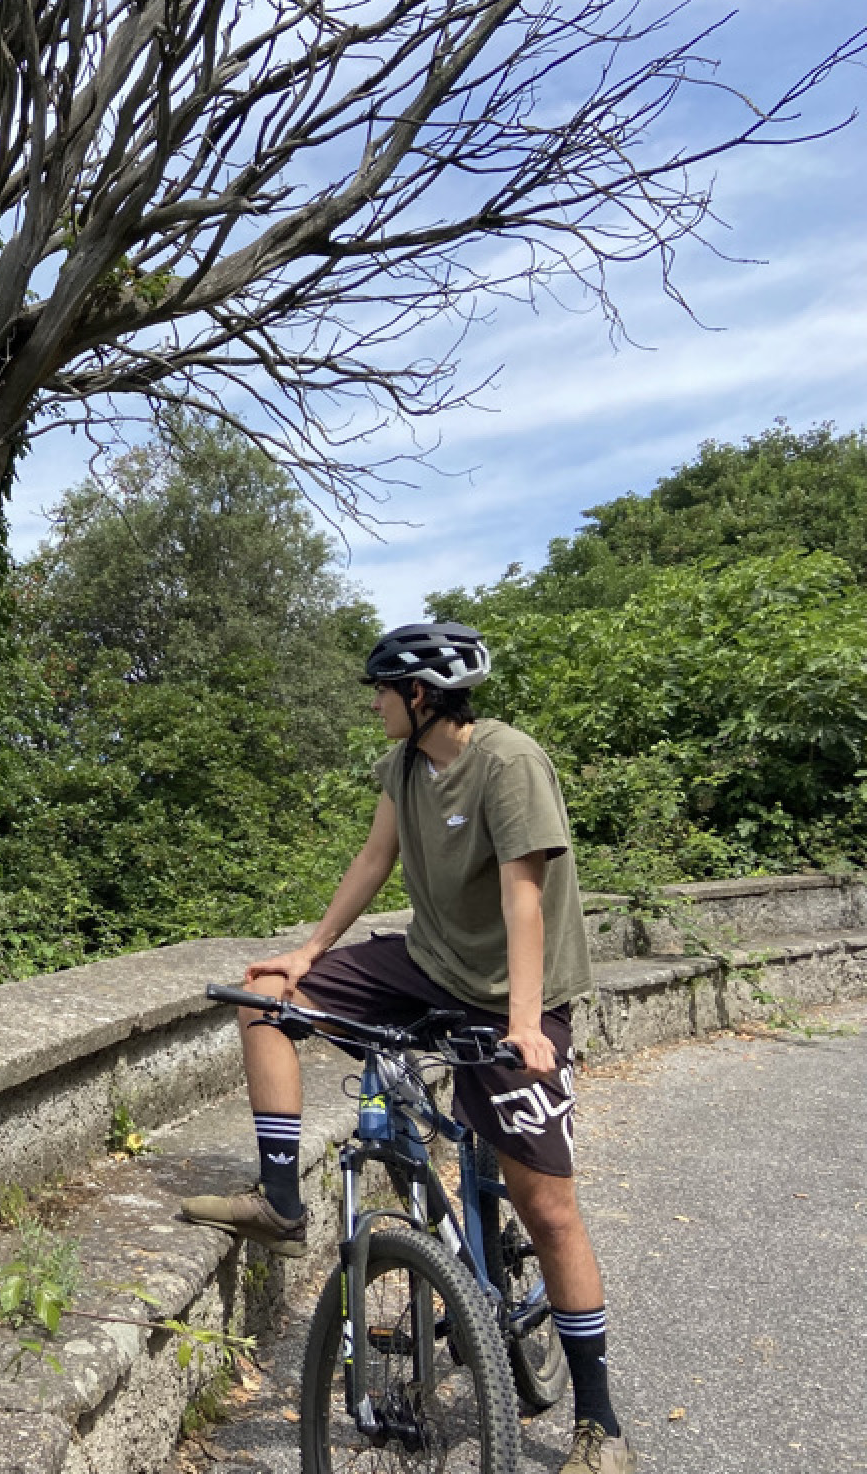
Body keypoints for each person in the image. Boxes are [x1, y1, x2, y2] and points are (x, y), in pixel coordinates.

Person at [179, 621, 637, 1474]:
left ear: (420, 696)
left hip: (513, 998)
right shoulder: (403, 766)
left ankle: (600, 1425)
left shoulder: (507, 761)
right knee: (265, 998)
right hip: (429, 967)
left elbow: (524, 897)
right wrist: (310, 950)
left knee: (549, 1210)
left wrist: (527, 1022)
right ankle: (282, 1200)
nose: (377, 705)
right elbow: (375, 857)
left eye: (383, 692)